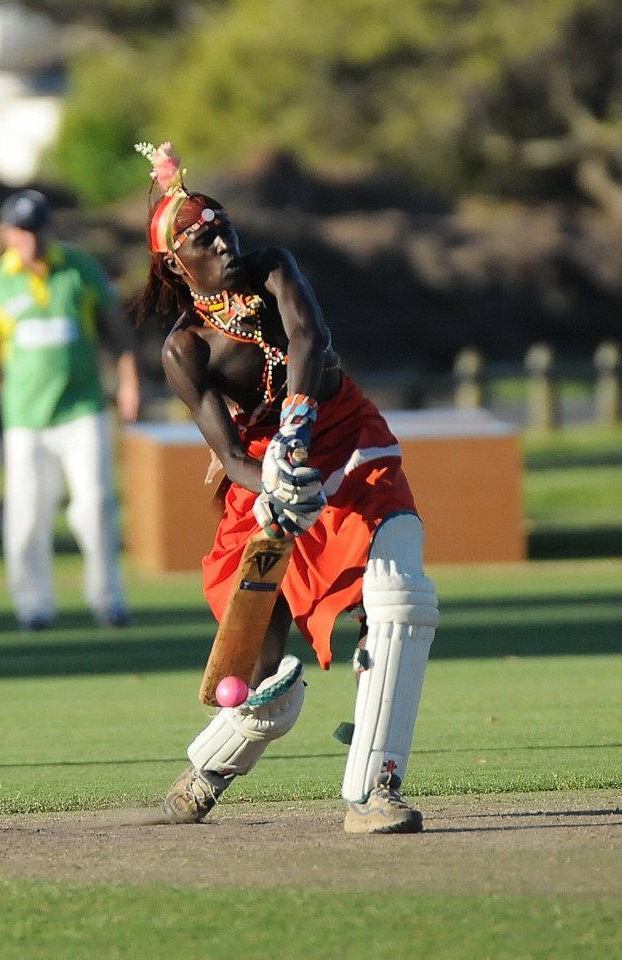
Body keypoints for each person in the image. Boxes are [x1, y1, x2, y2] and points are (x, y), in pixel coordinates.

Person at [132, 142, 439, 834]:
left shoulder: (273, 267)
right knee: (268, 678)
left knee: (400, 597)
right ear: (176, 264)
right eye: (199, 232)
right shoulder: (184, 351)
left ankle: (374, 790)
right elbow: (228, 451)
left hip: (344, 434)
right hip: (268, 472)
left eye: (221, 220)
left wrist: (298, 425)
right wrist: (268, 481)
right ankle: (208, 769)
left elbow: (310, 337)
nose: (219, 232)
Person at [0, 188, 140, 629]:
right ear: (6, 233)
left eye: (37, 229)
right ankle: (33, 605)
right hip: (25, 417)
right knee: (27, 513)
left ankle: (107, 597)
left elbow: (116, 328)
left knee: (96, 505)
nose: (30, 239)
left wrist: (130, 378)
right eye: (21, 231)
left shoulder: (78, 269)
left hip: (82, 408)